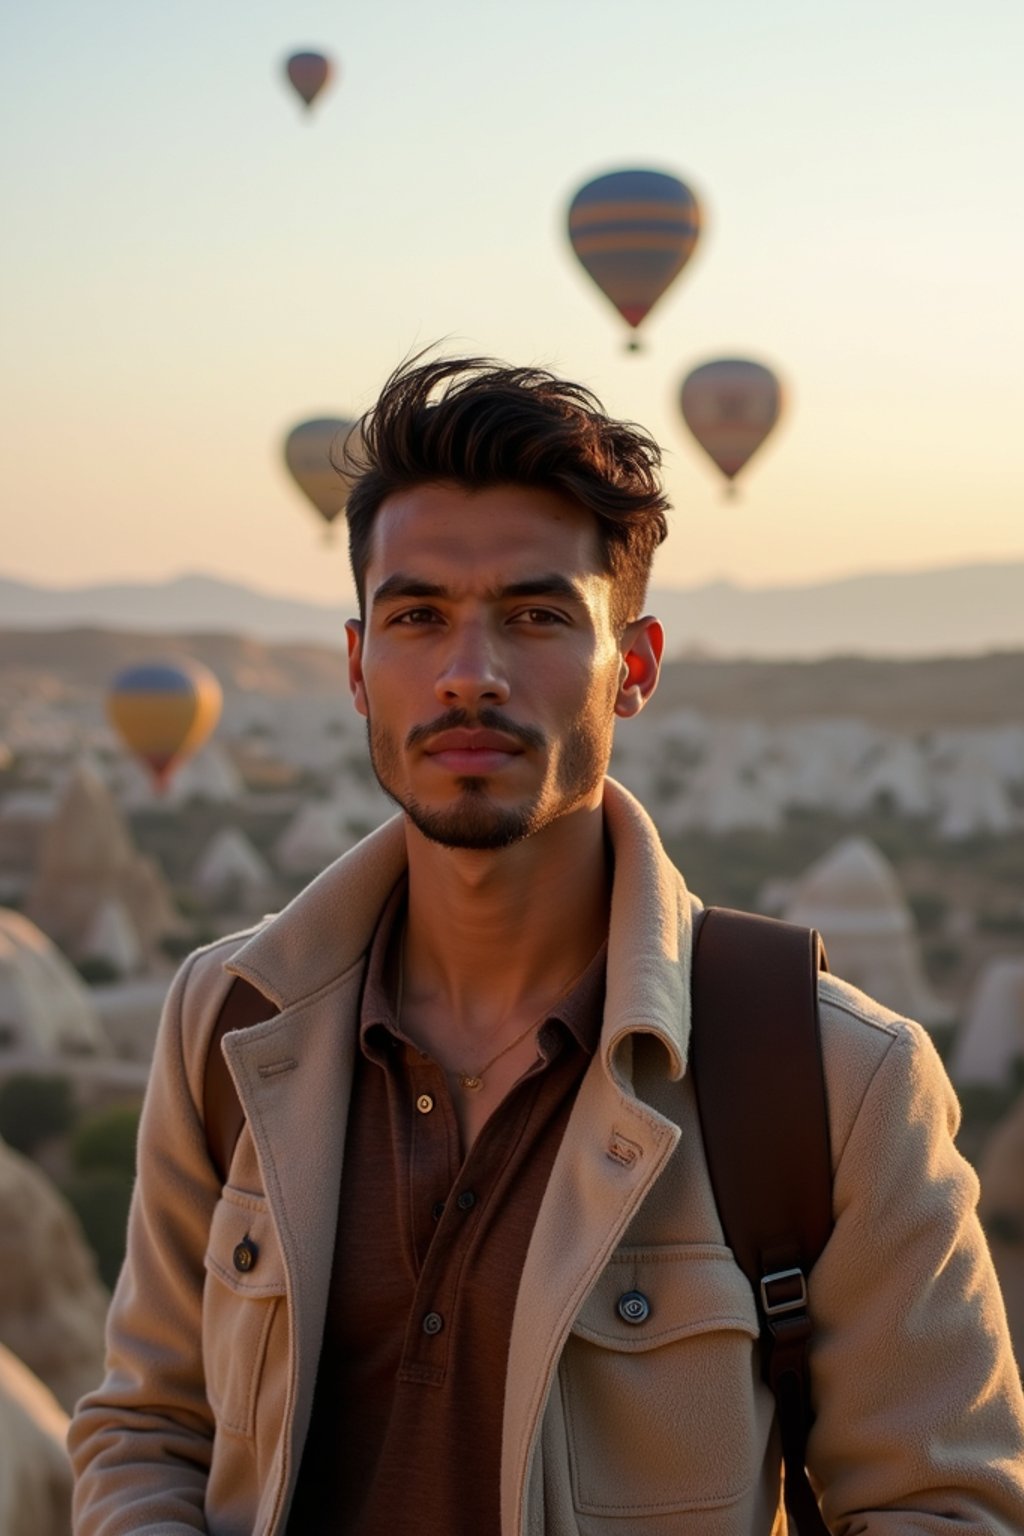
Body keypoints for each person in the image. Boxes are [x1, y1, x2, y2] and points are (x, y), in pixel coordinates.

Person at [69, 355, 1024, 1535]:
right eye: (419, 617)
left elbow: (944, 1507)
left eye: (535, 616)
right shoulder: (230, 1021)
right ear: (359, 667)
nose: (469, 676)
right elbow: (150, 1425)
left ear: (634, 668)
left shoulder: (834, 1081)